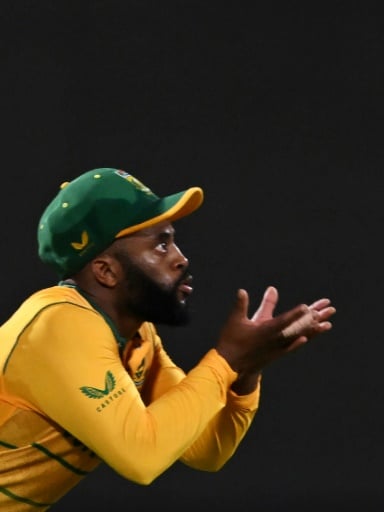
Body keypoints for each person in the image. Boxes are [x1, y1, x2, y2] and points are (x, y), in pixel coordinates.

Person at [0, 167, 336, 510]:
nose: (181, 259)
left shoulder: (136, 335)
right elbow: (142, 457)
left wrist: (245, 371)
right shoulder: (58, 326)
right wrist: (228, 359)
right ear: (106, 271)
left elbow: (205, 449)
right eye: (161, 245)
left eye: (173, 240)